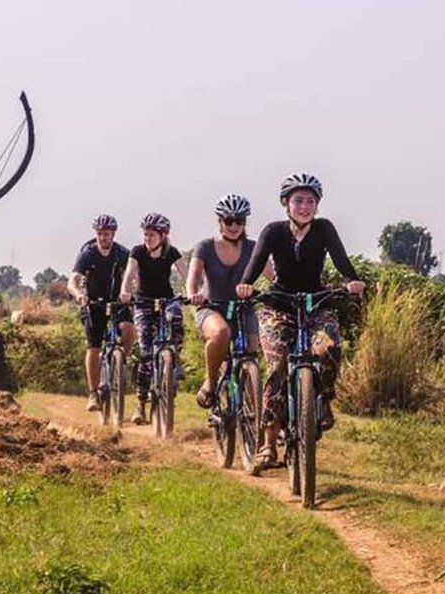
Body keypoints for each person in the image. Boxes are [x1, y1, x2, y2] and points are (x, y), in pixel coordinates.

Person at [236, 173, 365, 474]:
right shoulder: (273, 231)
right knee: (278, 365)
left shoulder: (324, 229)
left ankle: (323, 399)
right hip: (278, 306)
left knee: (330, 348)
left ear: (317, 205)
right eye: (298, 201)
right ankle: (268, 443)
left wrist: (352, 280)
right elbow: (254, 264)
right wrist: (244, 284)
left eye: (310, 201)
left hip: (316, 303)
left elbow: (342, 260)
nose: (304, 206)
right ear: (286, 204)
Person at [185, 194, 272, 415]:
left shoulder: (254, 247)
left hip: (244, 308)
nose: (234, 226)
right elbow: (192, 278)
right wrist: (193, 294)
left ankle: (254, 418)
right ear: (220, 221)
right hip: (211, 306)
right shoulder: (204, 247)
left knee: (251, 354)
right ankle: (211, 382)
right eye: (229, 221)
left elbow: (275, 276)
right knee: (221, 333)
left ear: (245, 223)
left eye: (239, 221)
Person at [119, 213, 187, 420]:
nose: (147, 238)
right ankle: (140, 405)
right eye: (145, 234)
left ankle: (175, 360)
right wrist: (125, 291)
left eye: (151, 235)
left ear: (163, 236)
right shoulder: (138, 251)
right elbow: (130, 273)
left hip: (167, 299)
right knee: (146, 354)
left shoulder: (171, 252)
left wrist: (193, 291)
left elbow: (186, 273)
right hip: (143, 301)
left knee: (176, 317)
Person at [69, 215, 135, 412]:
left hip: (117, 302)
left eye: (106, 234)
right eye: (99, 234)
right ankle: (93, 393)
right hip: (93, 303)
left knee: (129, 330)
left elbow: (135, 276)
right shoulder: (87, 254)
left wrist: (131, 293)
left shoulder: (122, 253)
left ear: (113, 234)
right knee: (94, 347)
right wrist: (79, 295)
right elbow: (72, 281)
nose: (102, 237)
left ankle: (121, 361)